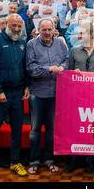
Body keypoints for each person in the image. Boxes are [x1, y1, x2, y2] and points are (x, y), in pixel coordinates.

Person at [0, 14, 30, 182]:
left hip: (17, 94)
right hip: (0, 94)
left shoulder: (22, 42)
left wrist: (26, 86)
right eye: (13, 25)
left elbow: (25, 67)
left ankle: (15, 162)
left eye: (19, 26)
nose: (16, 29)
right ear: (6, 25)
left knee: (16, 131)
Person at [26, 19, 68, 175]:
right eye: (44, 30)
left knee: (52, 130)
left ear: (54, 29)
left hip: (56, 93)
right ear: (38, 30)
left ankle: (49, 160)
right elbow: (31, 68)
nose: (47, 32)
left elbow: (66, 60)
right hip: (37, 93)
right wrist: (49, 69)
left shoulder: (60, 44)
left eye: (49, 29)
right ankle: (34, 161)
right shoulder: (31, 44)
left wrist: (62, 67)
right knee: (35, 130)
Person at [66, 22, 94, 174]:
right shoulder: (74, 51)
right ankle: (75, 160)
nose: (79, 36)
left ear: (92, 35)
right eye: (79, 33)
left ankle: (91, 161)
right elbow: (67, 73)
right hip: (77, 96)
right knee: (77, 128)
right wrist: (73, 74)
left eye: (82, 33)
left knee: (92, 128)